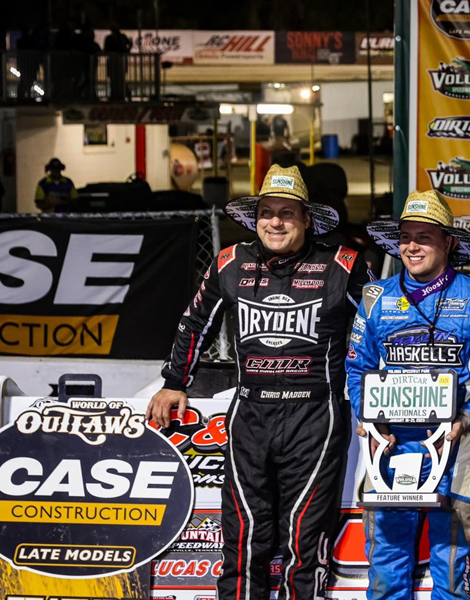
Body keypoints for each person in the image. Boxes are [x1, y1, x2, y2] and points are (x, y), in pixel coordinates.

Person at [146, 164, 369, 600]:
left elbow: (383, 325)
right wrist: (175, 381)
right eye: (267, 212)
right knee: (244, 536)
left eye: (287, 213)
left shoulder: (342, 264)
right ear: (255, 218)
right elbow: (194, 323)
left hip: (316, 417)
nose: (275, 222)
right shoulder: (231, 262)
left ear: (307, 219)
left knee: (305, 541)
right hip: (249, 414)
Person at [347, 190, 470, 599]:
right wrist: (369, 418)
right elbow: (357, 369)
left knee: (453, 569)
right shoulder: (375, 298)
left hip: (457, 446)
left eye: (424, 237)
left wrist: (466, 419)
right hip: (388, 445)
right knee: (385, 570)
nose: (412, 247)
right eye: (405, 237)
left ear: (449, 242)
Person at [103, 26, 132, 100]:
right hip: (121, 59)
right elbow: (129, 44)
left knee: (113, 79)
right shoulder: (122, 37)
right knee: (121, 78)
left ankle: (115, 94)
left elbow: (106, 49)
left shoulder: (109, 38)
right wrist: (127, 51)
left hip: (112, 59)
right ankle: (124, 93)